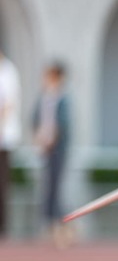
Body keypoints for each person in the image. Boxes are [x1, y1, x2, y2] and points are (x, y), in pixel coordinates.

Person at [32, 61, 72, 247]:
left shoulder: (62, 99)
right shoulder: (43, 98)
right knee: (47, 186)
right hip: (45, 149)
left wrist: (51, 140)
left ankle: (61, 227)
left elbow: (63, 125)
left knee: (56, 186)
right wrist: (39, 139)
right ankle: (48, 226)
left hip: (58, 149)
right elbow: (34, 120)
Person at [0, 50, 21, 240]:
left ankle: (3, 227)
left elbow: (8, 104)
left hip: (4, 138)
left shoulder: (8, 72)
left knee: (2, 183)